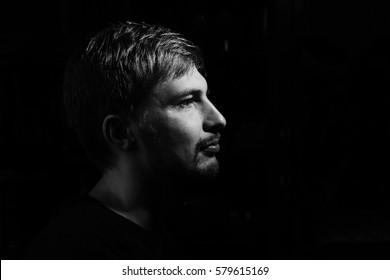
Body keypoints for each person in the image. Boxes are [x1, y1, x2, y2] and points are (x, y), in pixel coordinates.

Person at [24, 21, 226, 259]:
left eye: (206, 97)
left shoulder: (164, 232)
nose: (219, 119)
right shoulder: (76, 256)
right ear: (121, 132)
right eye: (186, 102)